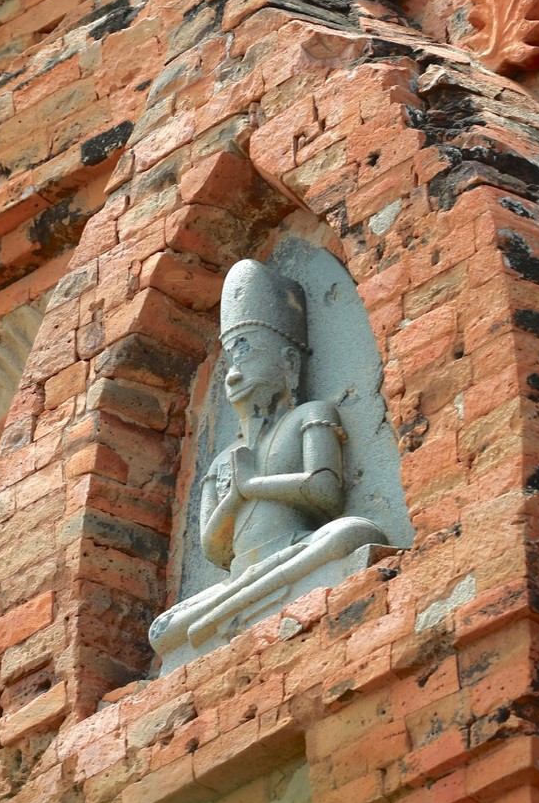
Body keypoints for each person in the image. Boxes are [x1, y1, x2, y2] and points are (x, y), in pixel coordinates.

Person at [149, 259, 385, 667]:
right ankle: (238, 605)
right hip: (242, 575)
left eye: (247, 354)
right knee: (161, 630)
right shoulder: (224, 459)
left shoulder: (311, 414)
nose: (233, 374)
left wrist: (252, 486)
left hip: (294, 547)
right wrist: (233, 498)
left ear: (289, 363)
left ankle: (227, 618)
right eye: (230, 359)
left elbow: (326, 491)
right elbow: (213, 548)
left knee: (352, 532)